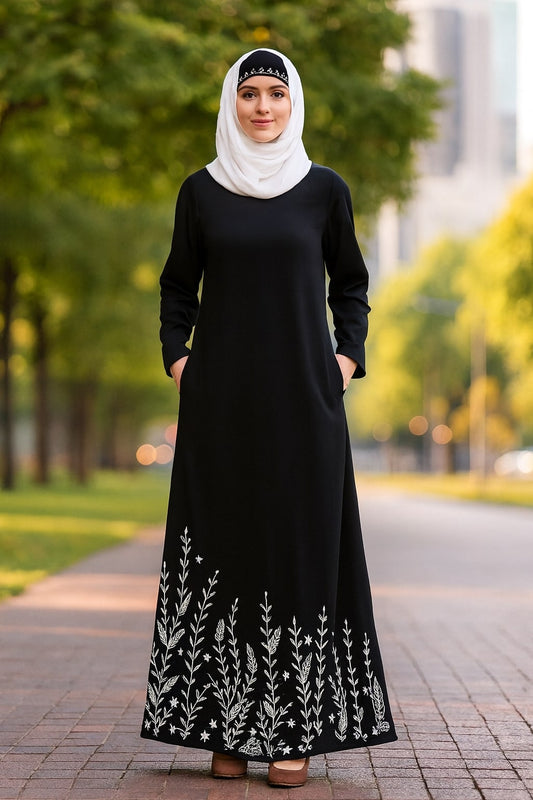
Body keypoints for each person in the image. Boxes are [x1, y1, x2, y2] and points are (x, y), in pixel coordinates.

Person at [141, 48, 397, 788]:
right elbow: (175, 288)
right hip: (220, 407)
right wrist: (179, 360)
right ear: (232, 103)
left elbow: (351, 286)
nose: (261, 107)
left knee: (295, 553)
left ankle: (290, 734)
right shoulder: (201, 192)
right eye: (249, 94)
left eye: (273, 95)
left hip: (303, 407)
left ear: (293, 106)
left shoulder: (324, 191)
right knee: (221, 549)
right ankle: (224, 729)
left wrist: (343, 361)